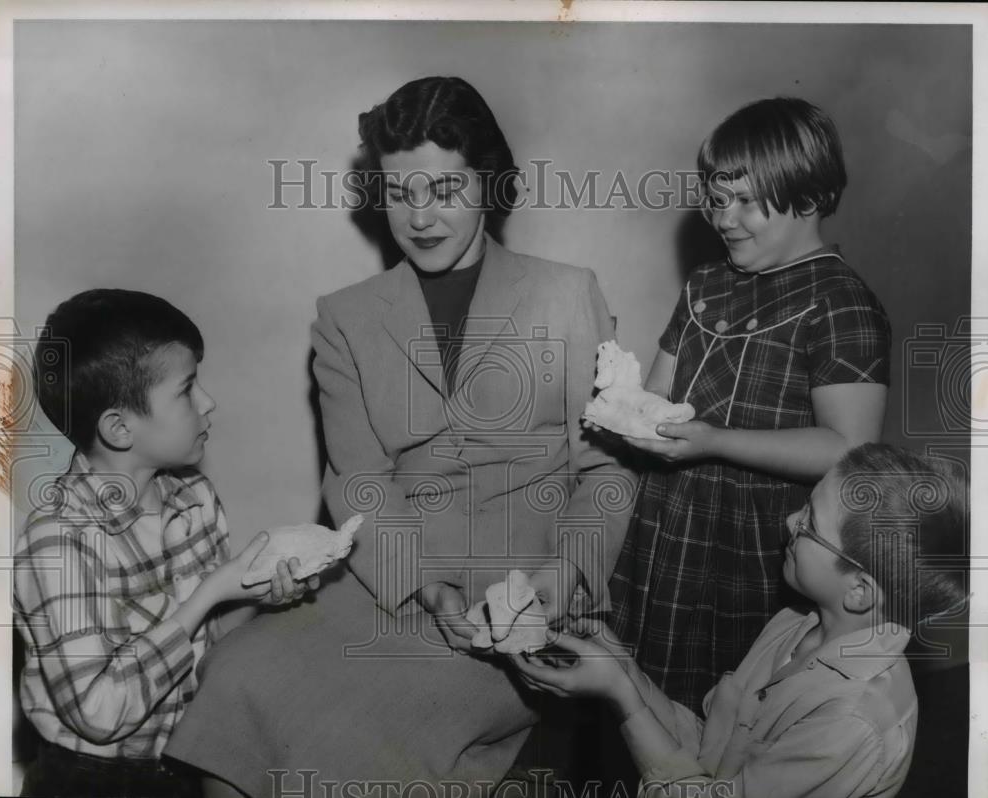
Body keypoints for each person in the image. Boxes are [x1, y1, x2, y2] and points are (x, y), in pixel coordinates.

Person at [163, 76, 636, 797]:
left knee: (352, 733)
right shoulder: (345, 317)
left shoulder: (568, 293)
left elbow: (605, 472)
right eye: (399, 193)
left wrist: (563, 576)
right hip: (390, 581)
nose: (419, 217)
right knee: (236, 676)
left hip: (525, 598)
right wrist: (426, 588)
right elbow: (358, 482)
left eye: (444, 190)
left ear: (489, 183)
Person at [608, 97, 892, 712]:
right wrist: (617, 402)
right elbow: (657, 394)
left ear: (809, 198)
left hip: (758, 549)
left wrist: (712, 440)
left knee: (724, 711)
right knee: (638, 696)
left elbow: (847, 449)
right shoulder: (706, 285)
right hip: (667, 525)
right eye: (715, 198)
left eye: (744, 200)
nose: (723, 218)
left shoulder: (841, 302)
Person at [513, 443, 968, 797]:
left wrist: (622, 700)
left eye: (810, 525)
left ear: (859, 591)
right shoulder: (796, 622)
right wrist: (623, 669)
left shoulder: (852, 722)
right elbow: (708, 751)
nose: (790, 521)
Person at [13, 289, 316, 798]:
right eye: (187, 389)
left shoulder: (194, 496)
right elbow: (99, 713)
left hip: (181, 763)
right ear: (118, 427)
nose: (208, 401)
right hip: (89, 782)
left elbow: (207, 637)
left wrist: (258, 597)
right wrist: (210, 591)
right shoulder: (57, 540)